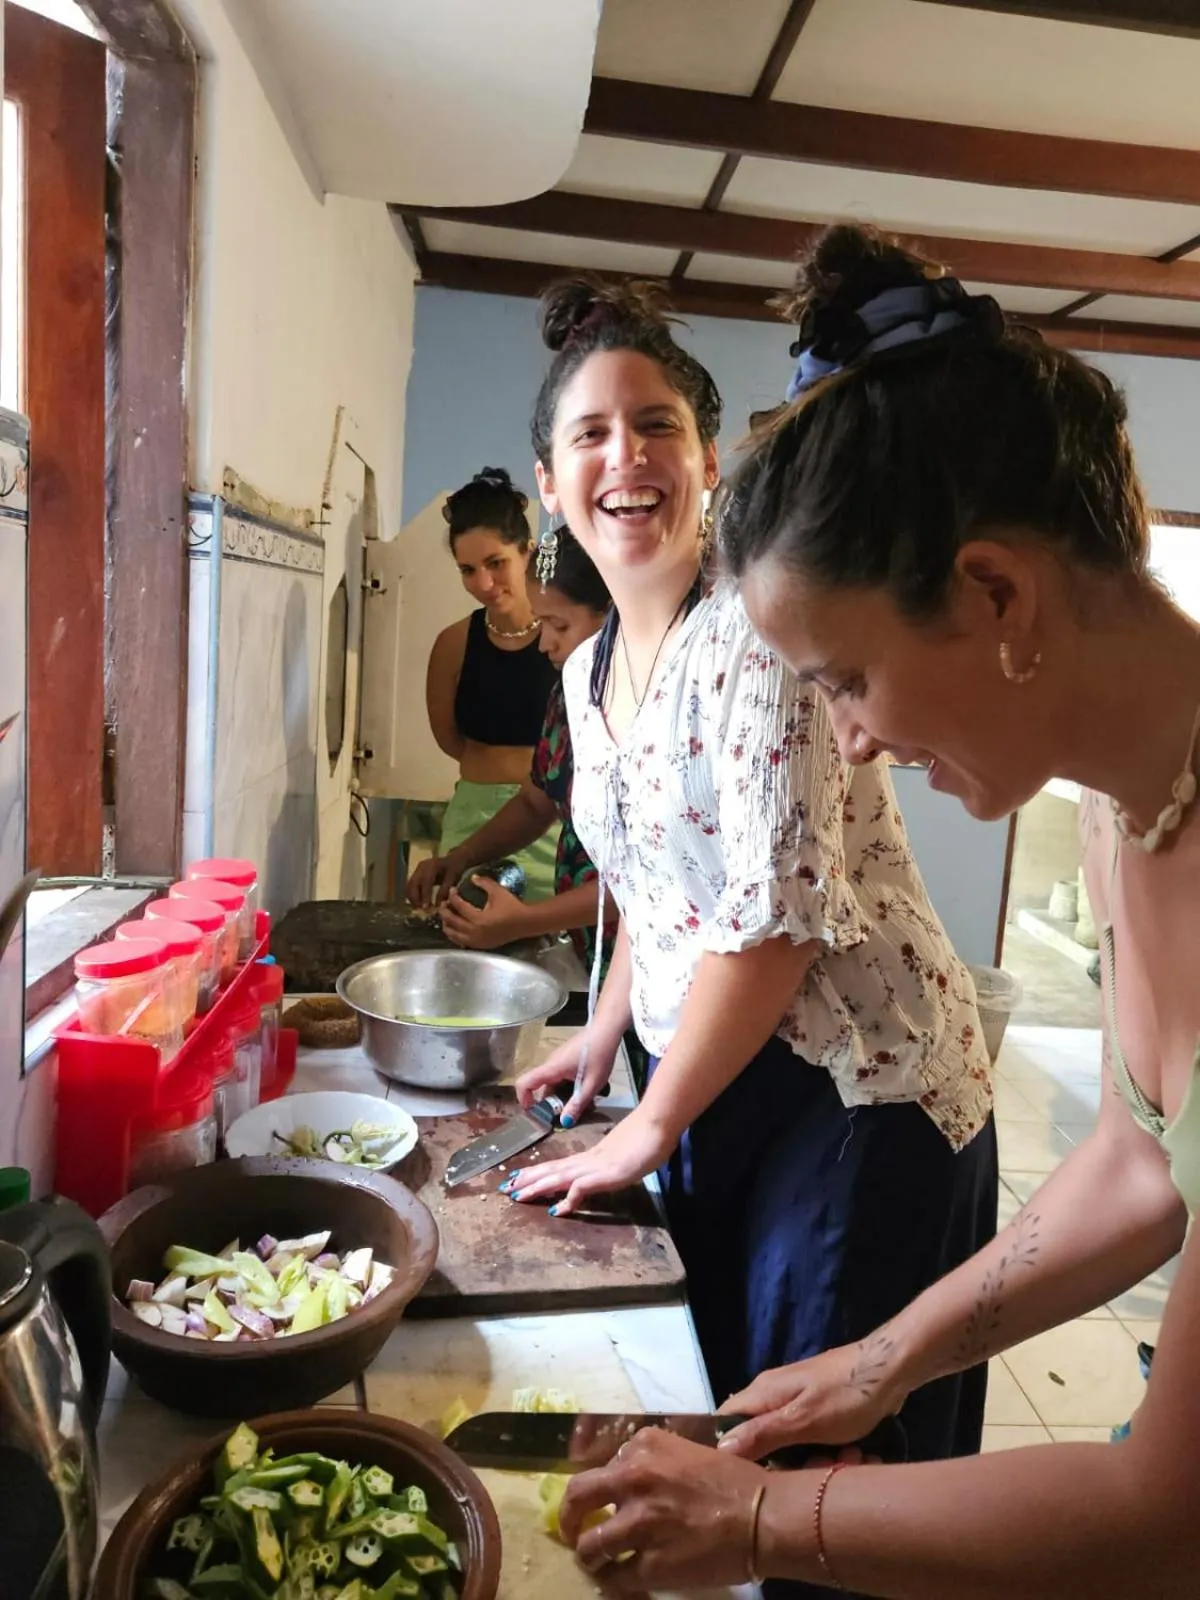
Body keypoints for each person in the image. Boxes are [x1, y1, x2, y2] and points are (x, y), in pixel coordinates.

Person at [552, 226, 1200, 1600]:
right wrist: (884, 1355)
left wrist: (762, 1524)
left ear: (997, 594)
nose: (844, 742)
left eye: (847, 678)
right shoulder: (1124, 797)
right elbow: (1143, 1168)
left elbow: (1165, 1511)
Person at [506, 276, 998, 1510]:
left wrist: (650, 1122)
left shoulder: (759, 637)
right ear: (552, 481)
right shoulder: (587, 674)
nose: (629, 457)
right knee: (728, 1414)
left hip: (857, 1096)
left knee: (820, 1470)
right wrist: (602, 1037)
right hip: (720, 1083)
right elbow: (649, 893)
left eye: (658, 424)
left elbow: (770, 921)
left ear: (708, 458)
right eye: (592, 434)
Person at [408, 525, 617, 972]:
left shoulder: (653, 714)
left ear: (614, 612)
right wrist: (460, 858)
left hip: (643, 963)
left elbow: (643, 883)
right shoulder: (571, 694)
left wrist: (525, 921)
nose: (545, 643)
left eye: (560, 625)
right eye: (543, 624)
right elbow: (535, 801)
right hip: (590, 951)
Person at [423, 466, 559, 900]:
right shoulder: (453, 644)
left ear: (528, 553)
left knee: (552, 954)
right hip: (471, 819)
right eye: (467, 570)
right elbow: (450, 738)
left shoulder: (565, 637)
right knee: (464, 946)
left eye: (496, 563)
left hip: (553, 824)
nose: (483, 583)